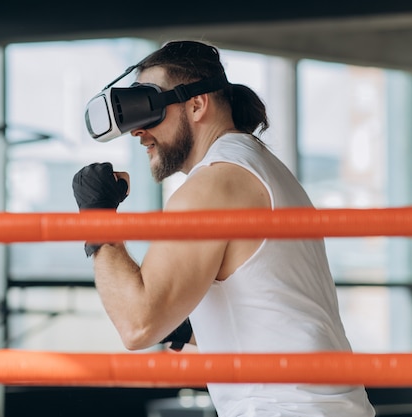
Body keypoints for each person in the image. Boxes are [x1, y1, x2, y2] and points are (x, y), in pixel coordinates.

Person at [72, 40, 375, 417]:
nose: (139, 132)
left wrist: (96, 216)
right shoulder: (263, 168)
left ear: (197, 105)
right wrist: (186, 326)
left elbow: (137, 325)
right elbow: (274, 312)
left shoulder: (211, 185)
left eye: (149, 111)